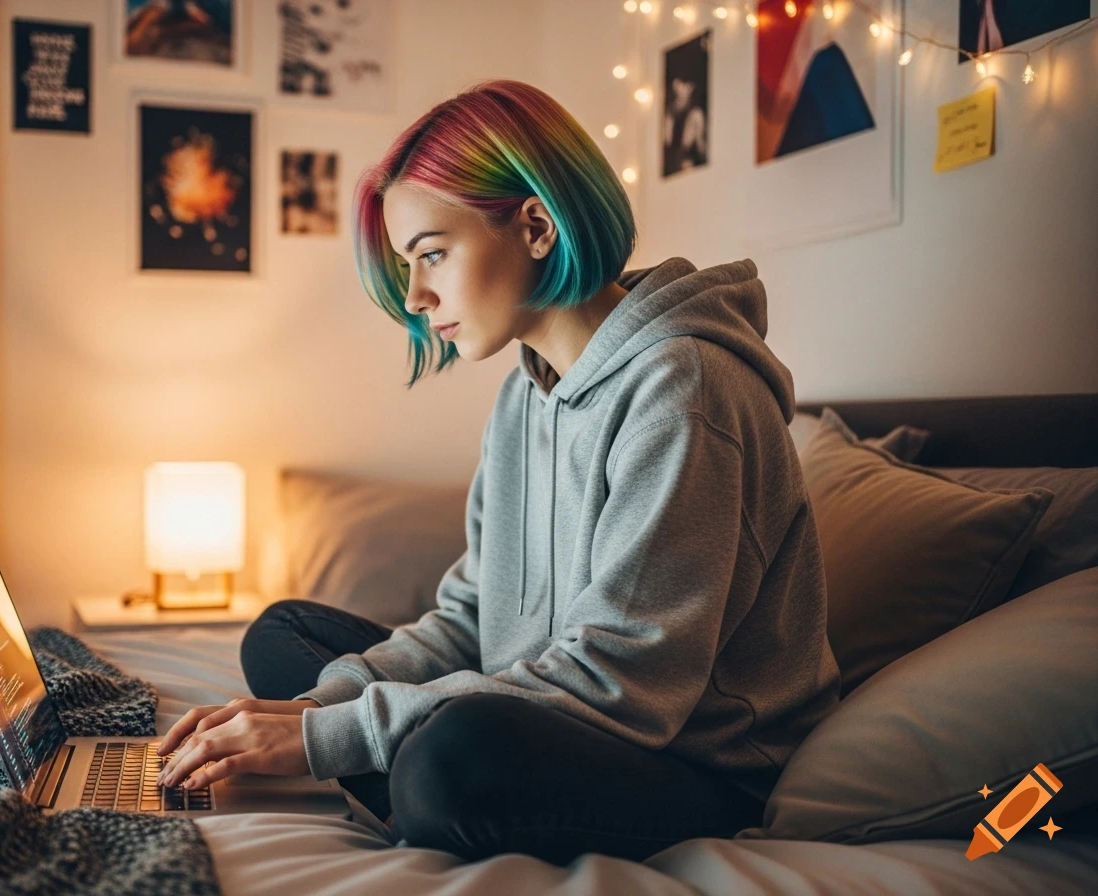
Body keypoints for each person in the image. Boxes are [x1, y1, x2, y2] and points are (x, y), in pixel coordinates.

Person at [155, 78, 842, 866]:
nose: (416, 296)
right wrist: (307, 715)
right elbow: (472, 616)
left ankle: (404, 779)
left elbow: (622, 678)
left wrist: (327, 736)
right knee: (284, 642)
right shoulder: (528, 390)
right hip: (549, 711)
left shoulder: (684, 389)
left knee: (448, 764)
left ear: (537, 226)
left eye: (432, 255)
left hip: (691, 762)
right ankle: (388, 765)